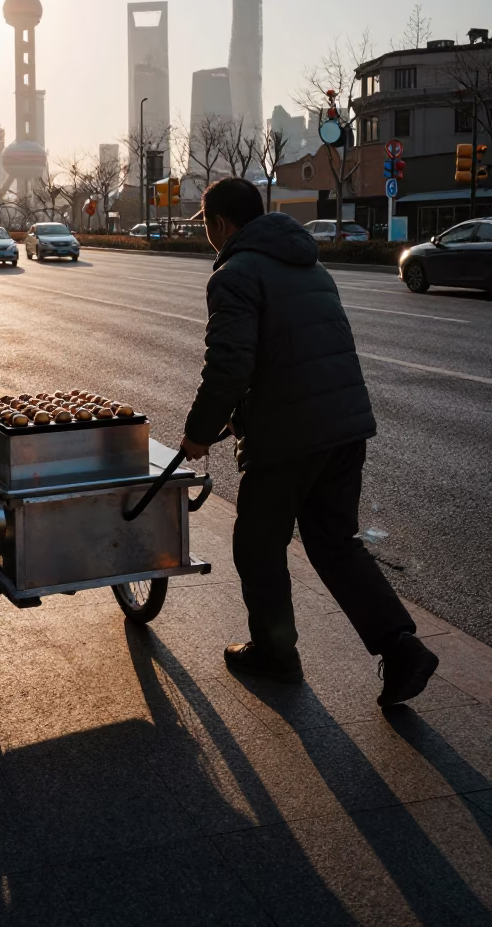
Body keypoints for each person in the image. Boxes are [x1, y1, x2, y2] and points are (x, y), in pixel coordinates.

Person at [181, 177, 438, 709]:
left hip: (288, 437)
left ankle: (276, 653)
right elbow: (294, 352)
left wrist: (199, 434)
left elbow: (230, 365)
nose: (207, 234)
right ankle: (401, 647)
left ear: (221, 224)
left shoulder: (234, 274)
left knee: (257, 543)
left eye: (206, 224)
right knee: (335, 543)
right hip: (344, 425)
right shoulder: (310, 265)